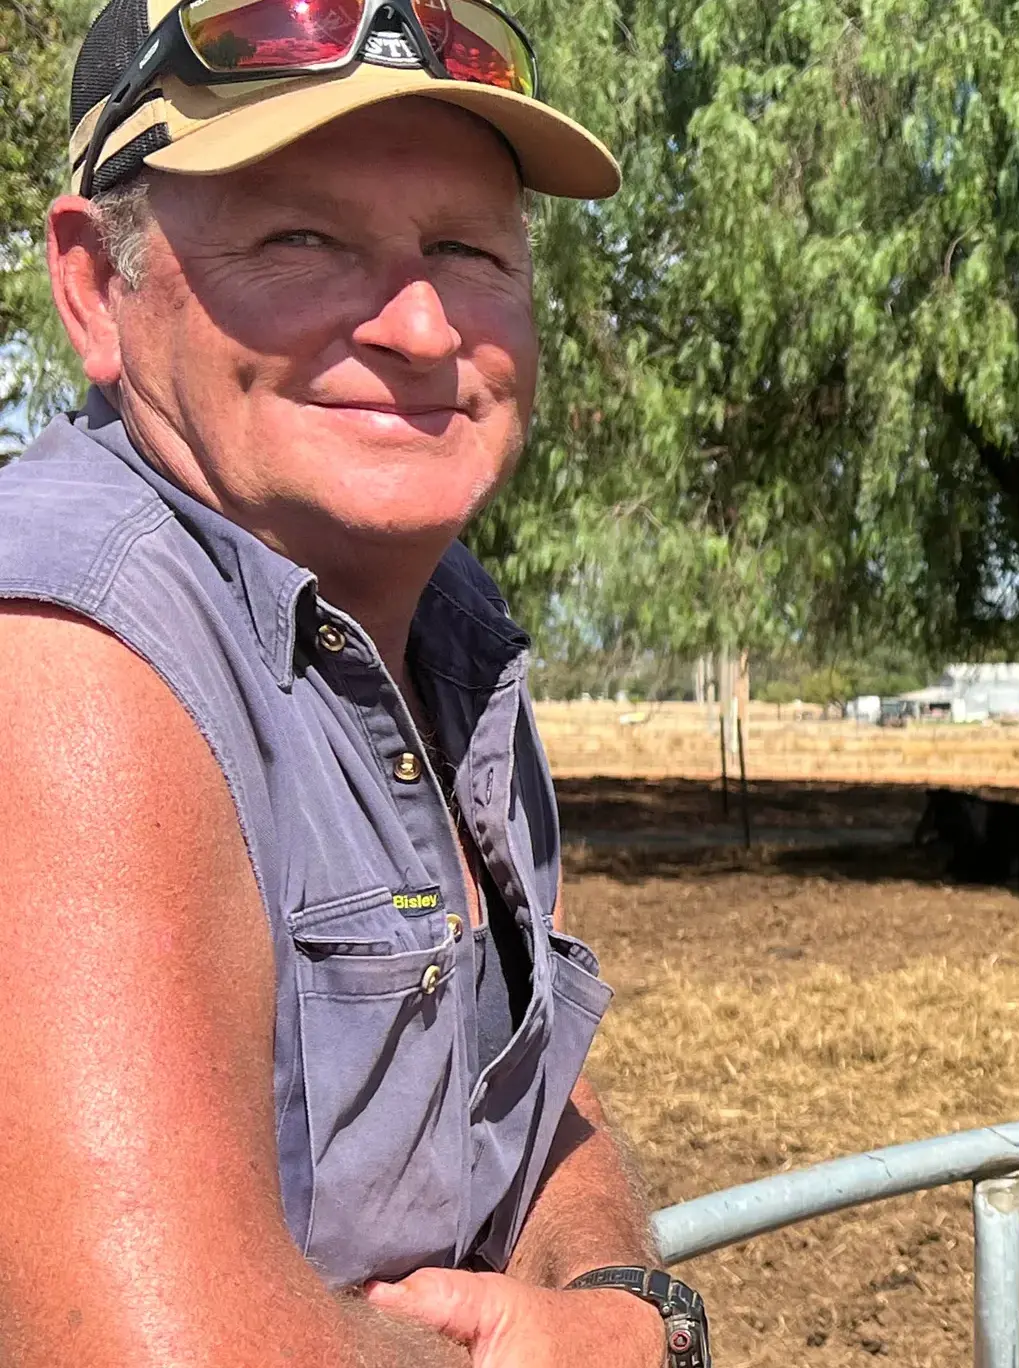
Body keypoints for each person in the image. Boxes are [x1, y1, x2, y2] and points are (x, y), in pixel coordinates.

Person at [0, 0, 707, 1363]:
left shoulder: (440, 623)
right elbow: (153, 1349)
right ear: (96, 288)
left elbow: (532, 1090)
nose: (423, 327)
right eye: (302, 240)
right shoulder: (66, 653)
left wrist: (624, 1306)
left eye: (467, 249)